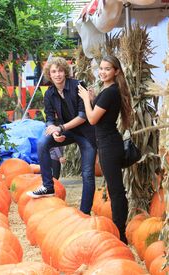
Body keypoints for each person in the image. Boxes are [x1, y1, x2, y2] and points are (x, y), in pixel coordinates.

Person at [27, 57, 97, 215]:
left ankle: (84, 213)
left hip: (86, 133)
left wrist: (60, 127)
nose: (57, 74)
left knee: (87, 173)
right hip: (67, 130)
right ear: (49, 75)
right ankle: (48, 185)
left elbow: (83, 116)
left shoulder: (78, 86)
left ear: (65, 72)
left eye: (60, 70)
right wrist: (55, 131)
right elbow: (50, 119)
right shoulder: (49, 94)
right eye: (53, 71)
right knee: (42, 142)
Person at [78, 55, 132, 244]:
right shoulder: (108, 90)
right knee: (114, 189)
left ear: (116, 71)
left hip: (109, 145)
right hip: (108, 143)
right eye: (100, 68)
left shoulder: (110, 92)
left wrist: (85, 99)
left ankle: (120, 234)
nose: (102, 72)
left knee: (116, 191)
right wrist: (93, 99)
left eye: (107, 69)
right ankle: (119, 230)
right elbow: (100, 117)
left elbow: (92, 119)